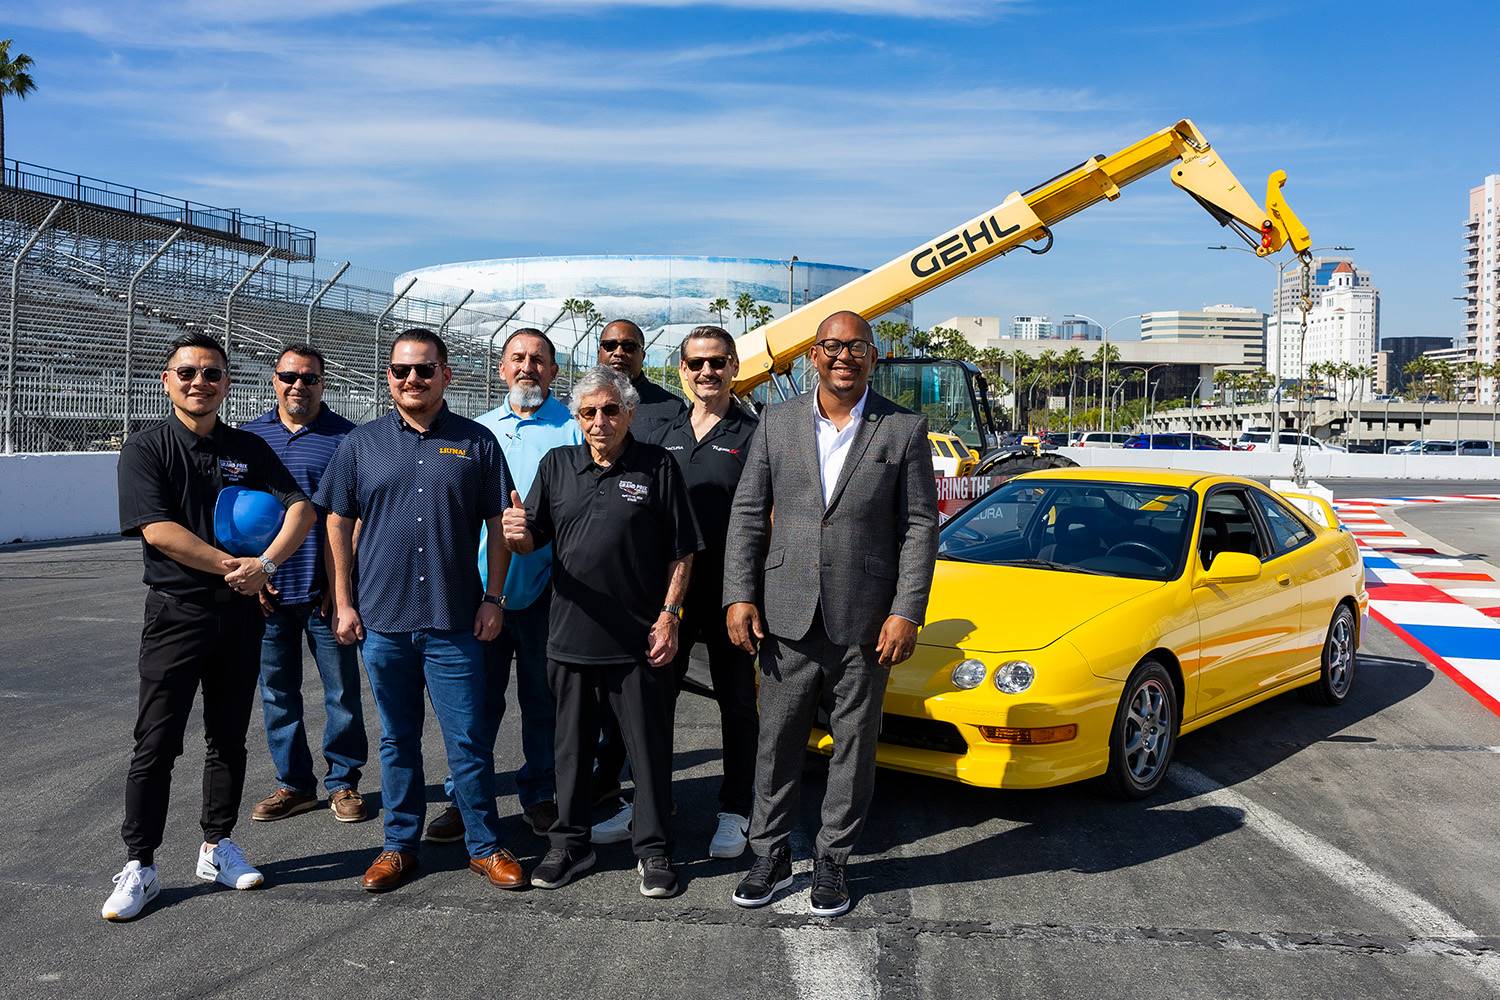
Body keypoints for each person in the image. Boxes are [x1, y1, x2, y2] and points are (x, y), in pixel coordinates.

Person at [723, 310, 938, 919]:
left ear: (873, 356)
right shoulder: (777, 422)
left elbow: (920, 526)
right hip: (785, 615)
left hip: (866, 622)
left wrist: (907, 611)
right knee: (777, 742)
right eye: (832, 346)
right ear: (814, 355)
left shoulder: (903, 428)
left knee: (853, 746)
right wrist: (739, 594)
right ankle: (767, 853)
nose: (844, 356)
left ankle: (832, 861)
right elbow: (747, 513)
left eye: (857, 347)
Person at [103, 332, 315, 922]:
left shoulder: (247, 447)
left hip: (240, 616)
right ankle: (139, 863)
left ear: (227, 383)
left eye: (213, 374)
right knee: (157, 743)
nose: (201, 382)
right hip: (177, 614)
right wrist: (235, 568)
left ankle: (217, 845)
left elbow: (301, 506)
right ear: (166, 380)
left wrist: (266, 565)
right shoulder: (146, 448)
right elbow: (156, 529)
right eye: (189, 372)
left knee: (228, 736)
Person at [315, 328, 523, 893]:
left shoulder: (477, 442)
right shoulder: (360, 444)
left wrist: (493, 598)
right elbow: (336, 520)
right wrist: (343, 601)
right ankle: (398, 846)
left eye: (424, 370)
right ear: (389, 377)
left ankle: (484, 845)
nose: (413, 379)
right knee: (397, 739)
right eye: (401, 370)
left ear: (445, 376)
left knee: (468, 739)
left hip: (455, 619)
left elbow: (499, 526)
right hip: (383, 620)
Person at [502, 366, 700, 899]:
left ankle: (654, 849)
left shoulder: (656, 466)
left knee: (649, 748)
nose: (599, 421)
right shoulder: (558, 464)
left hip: (639, 640)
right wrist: (517, 535)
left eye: (610, 410)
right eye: (588, 412)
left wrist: (670, 616)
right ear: (576, 416)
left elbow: (682, 550)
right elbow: (532, 541)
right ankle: (569, 844)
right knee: (569, 749)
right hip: (568, 637)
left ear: (629, 413)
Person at [424, 328, 583, 845]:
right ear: (500, 368)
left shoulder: (575, 429)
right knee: (474, 704)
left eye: (539, 360)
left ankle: (539, 793)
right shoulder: (476, 432)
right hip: (483, 592)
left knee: (543, 700)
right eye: (517, 358)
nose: (527, 368)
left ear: (554, 372)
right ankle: (464, 798)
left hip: (550, 593)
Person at [240, 344, 368, 825]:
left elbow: (353, 519)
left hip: (324, 593)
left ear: (323, 383)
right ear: (274, 380)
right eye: (289, 377)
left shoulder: (347, 438)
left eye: (309, 378)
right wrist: (255, 574)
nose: (298, 386)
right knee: (277, 691)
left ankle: (343, 784)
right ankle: (293, 785)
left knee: (341, 692)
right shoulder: (248, 438)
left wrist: (340, 589)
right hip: (267, 592)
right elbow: (232, 512)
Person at [647, 326, 759, 859]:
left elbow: (768, 518)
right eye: (695, 364)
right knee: (654, 700)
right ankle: (652, 803)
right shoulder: (659, 427)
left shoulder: (756, 433)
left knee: (737, 704)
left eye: (717, 362)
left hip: (731, 592)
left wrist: (750, 593)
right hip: (670, 592)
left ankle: (736, 809)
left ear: (734, 366)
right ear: (682, 371)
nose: (706, 372)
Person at [589, 318, 687, 831]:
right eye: (610, 344)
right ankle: (603, 782)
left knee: (645, 697)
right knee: (595, 700)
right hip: (590, 583)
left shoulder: (669, 409)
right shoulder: (583, 404)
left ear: (642, 352)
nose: (619, 351)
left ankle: (650, 801)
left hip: (652, 575)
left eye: (629, 345)